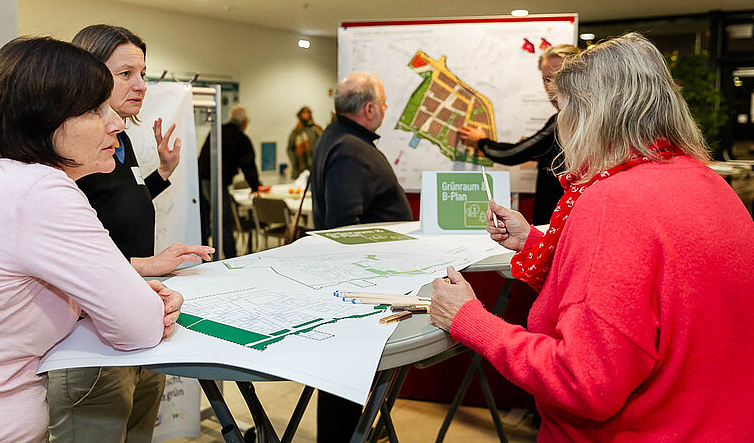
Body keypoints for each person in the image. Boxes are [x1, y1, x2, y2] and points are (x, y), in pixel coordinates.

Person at [430, 33, 754, 441]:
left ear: (589, 114)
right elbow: (641, 296)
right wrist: (533, 242)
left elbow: (583, 382)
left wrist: (470, 320)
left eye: (561, 110)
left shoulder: (614, 200)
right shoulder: (709, 184)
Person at [0, 37, 182, 442]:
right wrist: (143, 303)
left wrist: (116, 294)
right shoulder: (41, 190)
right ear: (44, 120)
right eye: (96, 110)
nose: (114, 122)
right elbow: (140, 326)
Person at [47, 25, 213, 443]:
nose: (140, 85)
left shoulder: (120, 140)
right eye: (126, 74)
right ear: (87, 74)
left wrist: (162, 174)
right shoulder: (68, 153)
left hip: (137, 313)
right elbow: (71, 256)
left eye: (143, 73)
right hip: (95, 333)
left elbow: (122, 203)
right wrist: (149, 264)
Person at [310, 72, 413, 442]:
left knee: (345, 384)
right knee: (344, 386)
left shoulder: (338, 137)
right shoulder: (352, 149)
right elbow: (344, 229)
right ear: (369, 109)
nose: (385, 110)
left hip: (359, 284)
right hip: (362, 289)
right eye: (383, 104)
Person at [458, 44, 580, 224]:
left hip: (558, 221)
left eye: (557, 77)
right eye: (546, 79)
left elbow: (512, 154)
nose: (551, 87)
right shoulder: (582, 117)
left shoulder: (566, 120)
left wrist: (481, 142)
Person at [198, 106, 263, 258]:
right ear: (245, 122)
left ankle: (204, 258)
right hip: (217, 183)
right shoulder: (241, 138)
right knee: (224, 222)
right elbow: (249, 165)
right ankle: (231, 257)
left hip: (201, 180)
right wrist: (255, 186)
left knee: (205, 223)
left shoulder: (216, 131)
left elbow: (202, 157)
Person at [286, 105, 323, 178]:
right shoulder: (296, 132)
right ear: (300, 115)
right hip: (300, 169)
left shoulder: (318, 129)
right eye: (305, 112)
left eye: (309, 112)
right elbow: (290, 149)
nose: (308, 114)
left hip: (316, 167)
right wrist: (295, 162)